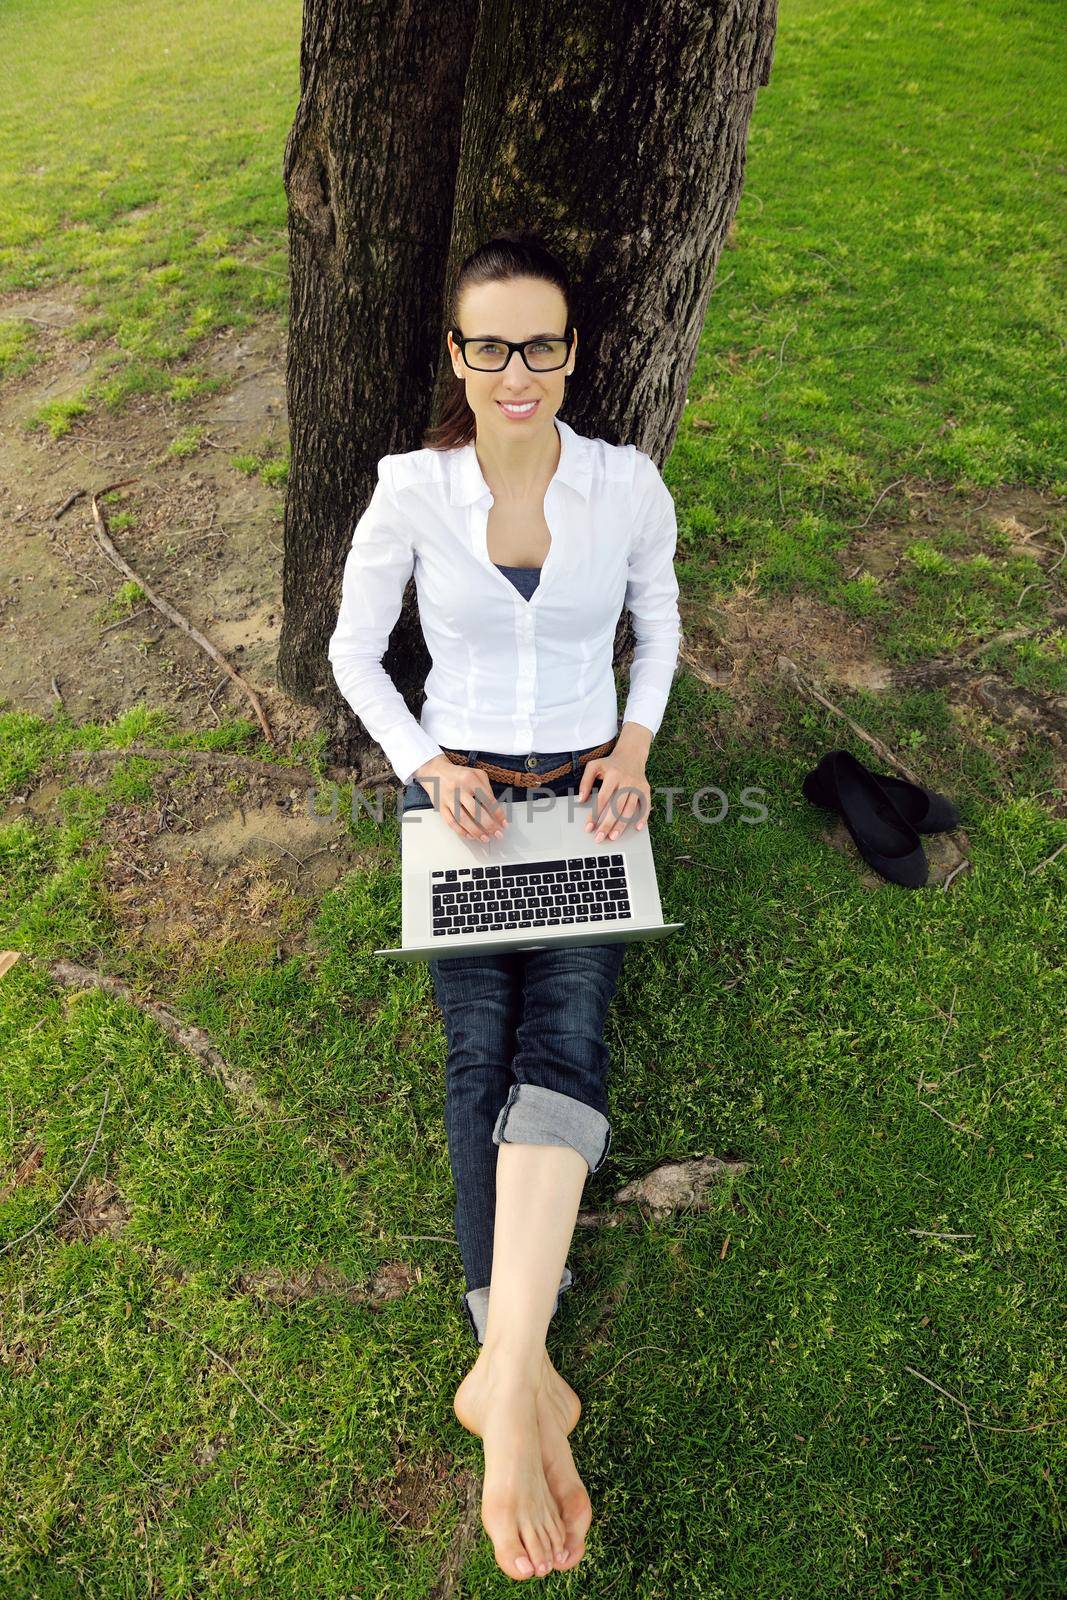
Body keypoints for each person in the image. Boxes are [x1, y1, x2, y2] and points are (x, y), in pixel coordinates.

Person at [327, 230, 681, 1581]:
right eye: (492, 347)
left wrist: (634, 750)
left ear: (574, 351)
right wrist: (428, 764)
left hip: (588, 795)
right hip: (461, 799)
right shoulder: (411, 493)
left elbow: (660, 615)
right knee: (482, 1051)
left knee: (567, 1034)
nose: (517, 370)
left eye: (542, 343)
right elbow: (355, 654)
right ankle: (518, 1386)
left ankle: (506, 1376)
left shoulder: (623, 485)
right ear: (461, 359)